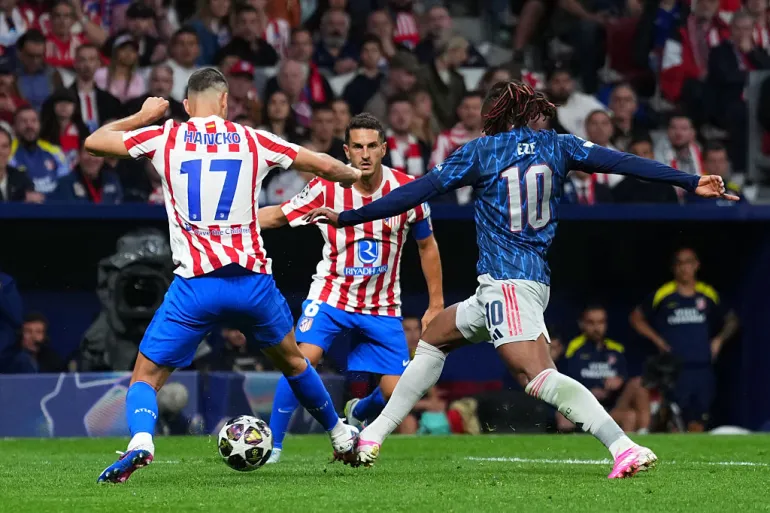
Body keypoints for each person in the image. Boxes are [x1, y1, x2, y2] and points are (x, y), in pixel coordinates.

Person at [303, 80, 737, 476]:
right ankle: (373, 436)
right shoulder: (558, 145)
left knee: (533, 375)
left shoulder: (480, 151)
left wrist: (349, 216)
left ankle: (622, 445)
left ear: (493, 114)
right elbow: (622, 162)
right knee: (436, 335)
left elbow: (414, 191)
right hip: (520, 281)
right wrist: (690, 179)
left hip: (508, 283)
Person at [83, 67, 363, 483]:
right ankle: (341, 437)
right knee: (293, 362)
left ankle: (142, 441)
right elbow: (322, 164)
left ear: (186, 105)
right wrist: (357, 175)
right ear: (226, 101)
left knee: (146, 376)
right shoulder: (253, 139)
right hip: (252, 282)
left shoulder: (168, 136)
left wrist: (143, 116)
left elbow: (94, 143)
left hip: (196, 285)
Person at [257, 113, 444, 463]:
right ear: (346, 150)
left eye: (372, 146)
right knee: (300, 359)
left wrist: (436, 303)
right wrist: (232, 222)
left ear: (384, 149)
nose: (365, 154)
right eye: (357, 146)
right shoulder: (326, 187)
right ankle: (274, 446)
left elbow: (427, 246)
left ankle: (358, 411)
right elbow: (280, 215)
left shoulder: (407, 191)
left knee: (394, 392)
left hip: (383, 305)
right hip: (331, 296)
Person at [629, 247, 739, 431]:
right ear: (673, 267)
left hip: (703, 366)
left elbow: (732, 319)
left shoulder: (707, 293)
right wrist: (658, 340)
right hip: (675, 368)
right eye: (679, 263)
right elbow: (636, 317)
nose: (684, 268)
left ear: (696, 265)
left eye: (688, 263)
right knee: (675, 420)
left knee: (699, 421)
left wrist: (719, 340)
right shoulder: (663, 294)